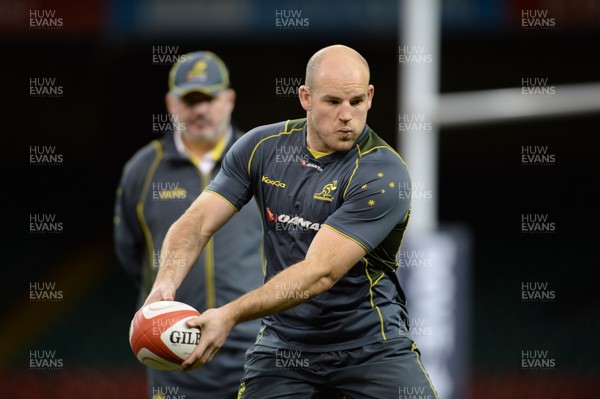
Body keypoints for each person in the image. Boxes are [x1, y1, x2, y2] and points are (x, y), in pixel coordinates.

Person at [144, 44, 439, 398]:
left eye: (356, 101)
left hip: (371, 347)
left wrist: (229, 314)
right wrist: (165, 285)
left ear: (370, 97)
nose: (347, 115)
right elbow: (198, 221)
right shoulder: (261, 147)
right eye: (333, 102)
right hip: (284, 348)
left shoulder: (383, 173)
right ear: (306, 97)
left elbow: (320, 273)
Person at [114, 51, 263, 399]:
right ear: (170, 103)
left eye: (209, 98)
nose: (200, 110)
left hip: (257, 353)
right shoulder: (143, 170)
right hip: (174, 356)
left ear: (229, 99)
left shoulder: (261, 162)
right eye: (189, 100)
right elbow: (131, 252)